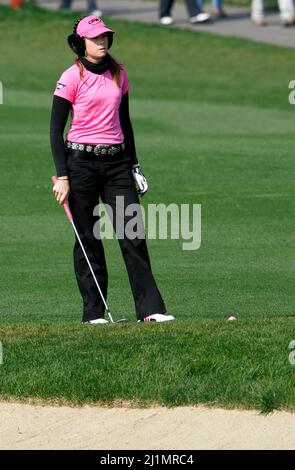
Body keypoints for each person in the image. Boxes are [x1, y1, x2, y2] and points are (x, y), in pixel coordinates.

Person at [50, 15, 175, 324]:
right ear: (81, 43)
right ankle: (93, 313)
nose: (102, 41)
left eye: (105, 36)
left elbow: (126, 122)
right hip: (80, 165)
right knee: (88, 237)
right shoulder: (71, 77)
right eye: (95, 38)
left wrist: (134, 165)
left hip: (117, 164)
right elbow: (55, 131)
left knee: (133, 234)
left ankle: (151, 310)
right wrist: (63, 176)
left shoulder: (119, 74)